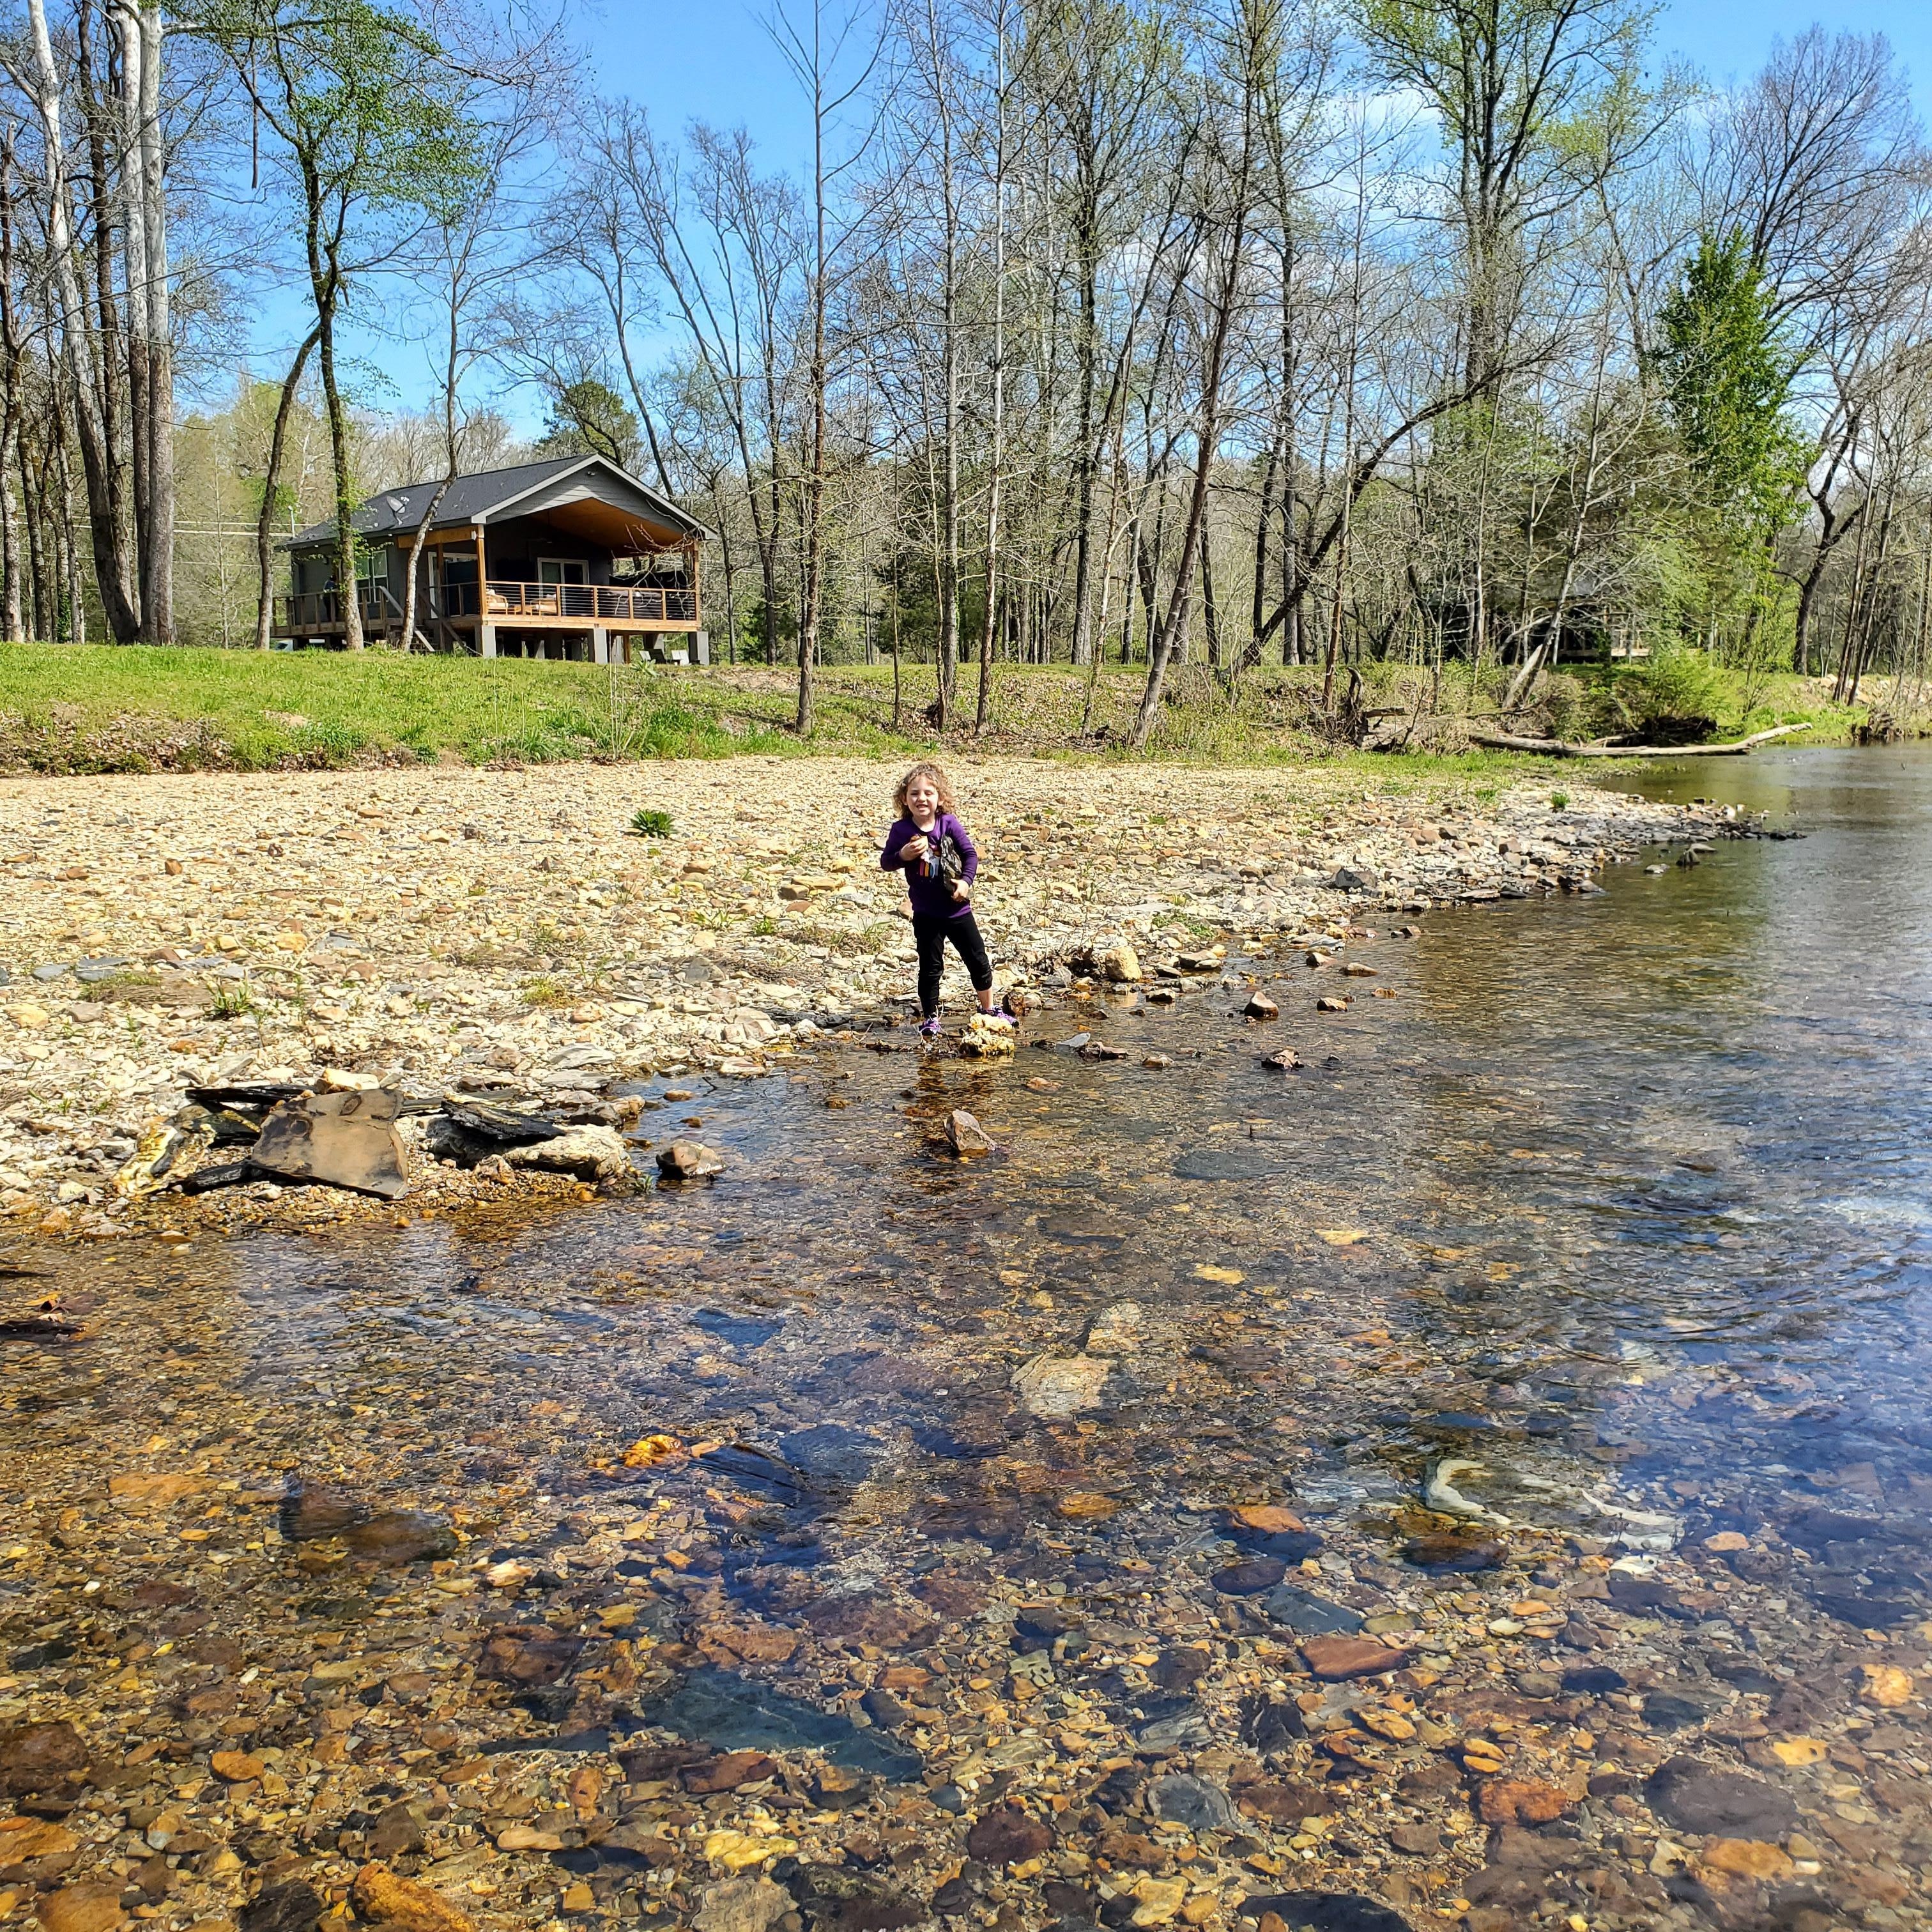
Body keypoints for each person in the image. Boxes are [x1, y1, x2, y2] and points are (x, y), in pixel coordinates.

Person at [880, 762, 1011, 1039]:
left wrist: (965, 882)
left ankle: (988, 1008)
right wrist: (903, 855)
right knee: (930, 968)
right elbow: (887, 862)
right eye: (914, 793)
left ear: (940, 798)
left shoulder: (948, 823)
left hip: (957, 909)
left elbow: (970, 855)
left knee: (977, 959)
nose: (921, 799)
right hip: (926, 913)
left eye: (928, 793)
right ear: (905, 799)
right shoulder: (901, 830)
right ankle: (931, 1018)